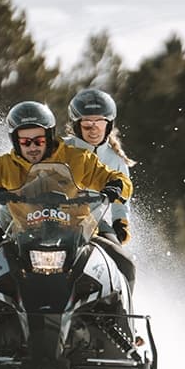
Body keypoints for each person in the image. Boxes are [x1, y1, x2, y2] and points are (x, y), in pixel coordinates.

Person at [0, 100, 133, 219]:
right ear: (15, 141)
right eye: (25, 142)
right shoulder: (5, 165)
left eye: (39, 141)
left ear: (50, 137)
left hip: (79, 234)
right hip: (22, 237)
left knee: (121, 261)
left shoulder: (79, 158)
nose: (32, 147)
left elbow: (121, 180)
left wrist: (114, 187)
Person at [64, 88, 136, 292]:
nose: (93, 129)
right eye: (87, 124)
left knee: (126, 264)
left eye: (99, 123)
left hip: (95, 223)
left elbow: (123, 198)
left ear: (109, 125)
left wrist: (120, 222)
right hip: (53, 218)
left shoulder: (115, 160)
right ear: (77, 126)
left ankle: (123, 317)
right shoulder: (60, 149)